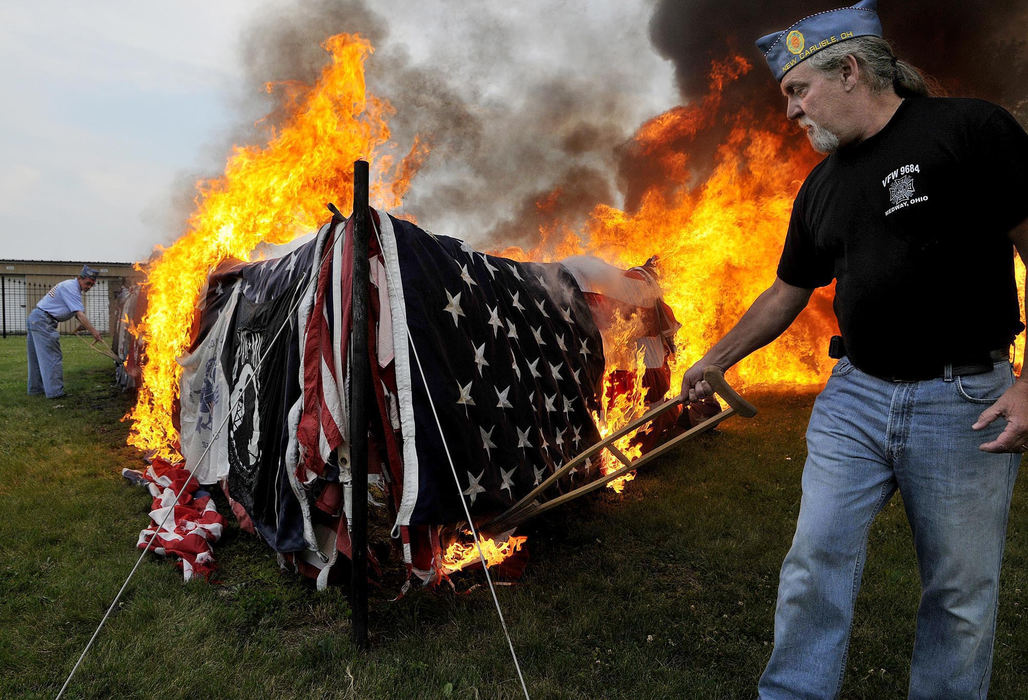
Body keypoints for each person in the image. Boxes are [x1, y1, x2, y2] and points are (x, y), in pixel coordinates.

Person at [680, 1, 1028, 696]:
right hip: (855, 396)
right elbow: (787, 292)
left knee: (959, 594)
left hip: (966, 401)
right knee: (813, 561)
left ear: (848, 70)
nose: (790, 112)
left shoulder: (968, 129)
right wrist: (714, 359)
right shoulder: (821, 186)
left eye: (796, 91)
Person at [27, 265, 104, 399]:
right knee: (52, 357)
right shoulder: (71, 288)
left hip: (36, 318)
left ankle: (35, 390)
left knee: (36, 358)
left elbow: (73, 311)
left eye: (92, 284)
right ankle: (55, 393)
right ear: (80, 278)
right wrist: (94, 332)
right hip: (43, 321)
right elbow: (79, 314)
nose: (89, 287)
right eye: (88, 283)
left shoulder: (71, 287)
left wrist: (82, 326)